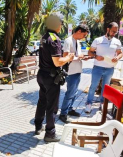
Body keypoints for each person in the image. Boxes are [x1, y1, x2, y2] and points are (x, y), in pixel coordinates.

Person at [34, 12, 74, 142]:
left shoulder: (44, 37)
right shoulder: (55, 39)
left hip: (42, 74)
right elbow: (57, 62)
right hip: (51, 77)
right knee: (52, 105)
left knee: (42, 101)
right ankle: (50, 133)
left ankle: (38, 125)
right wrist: (68, 57)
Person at [85, 22, 123, 113]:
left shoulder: (117, 42)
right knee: (93, 86)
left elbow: (120, 53)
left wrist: (117, 57)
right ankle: (89, 103)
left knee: (106, 87)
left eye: (116, 32)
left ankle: (102, 103)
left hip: (110, 68)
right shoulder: (98, 40)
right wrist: (95, 56)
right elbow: (90, 52)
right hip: (98, 67)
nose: (114, 33)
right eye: (113, 31)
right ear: (108, 29)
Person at [59, 24, 90, 123]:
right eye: (84, 35)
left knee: (74, 92)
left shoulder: (77, 42)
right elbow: (66, 57)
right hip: (71, 72)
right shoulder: (68, 41)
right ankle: (63, 113)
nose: (84, 37)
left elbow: (76, 55)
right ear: (79, 31)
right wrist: (79, 57)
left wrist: (82, 57)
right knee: (70, 93)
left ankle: (69, 109)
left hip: (77, 71)